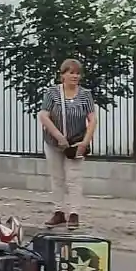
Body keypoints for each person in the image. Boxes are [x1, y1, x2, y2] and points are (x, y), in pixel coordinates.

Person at [37, 58, 98, 229]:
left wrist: (85, 142)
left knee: (74, 178)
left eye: (78, 73)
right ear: (62, 74)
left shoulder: (85, 94)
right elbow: (43, 115)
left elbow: (92, 119)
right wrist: (57, 135)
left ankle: (74, 213)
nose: (75, 76)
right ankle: (58, 212)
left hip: (76, 142)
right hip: (53, 142)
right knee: (57, 178)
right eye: (71, 72)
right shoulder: (52, 93)